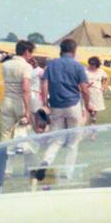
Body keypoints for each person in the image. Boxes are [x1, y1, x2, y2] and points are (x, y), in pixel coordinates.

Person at [39, 40, 93, 176]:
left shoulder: (51, 65)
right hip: (73, 105)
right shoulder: (78, 66)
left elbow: (44, 84)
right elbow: (85, 90)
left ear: (61, 50)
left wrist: (45, 103)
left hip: (56, 106)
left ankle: (46, 161)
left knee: (57, 139)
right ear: (74, 51)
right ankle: (68, 172)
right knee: (73, 142)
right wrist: (88, 105)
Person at [0, 40, 36, 142]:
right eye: (31, 52)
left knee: (6, 132)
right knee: (22, 131)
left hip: (7, 100)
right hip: (20, 102)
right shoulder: (26, 66)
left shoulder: (5, 65)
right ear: (27, 52)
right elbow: (25, 89)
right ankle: (24, 152)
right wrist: (28, 111)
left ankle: (5, 154)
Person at [85, 56, 109, 123]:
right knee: (87, 107)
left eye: (93, 65)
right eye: (90, 64)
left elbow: (106, 78)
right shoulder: (85, 71)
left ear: (97, 65)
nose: (91, 66)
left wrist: (104, 86)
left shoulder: (101, 71)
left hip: (97, 91)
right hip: (87, 91)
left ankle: (93, 117)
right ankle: (88, 116)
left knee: (95, 107)